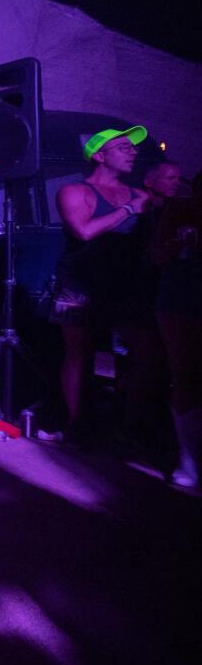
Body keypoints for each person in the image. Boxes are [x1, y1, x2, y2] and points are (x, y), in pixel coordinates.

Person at [50, 127, 155, 442]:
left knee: (147, 351)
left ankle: (128, 424)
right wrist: (127, 211)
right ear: (99, 155)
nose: (132, 152)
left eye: (133, 148)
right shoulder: (74, 191)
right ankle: (76, 425)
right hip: (80, 281)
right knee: (78, 353)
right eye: (123, 147)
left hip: (124, 283)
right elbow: (83, 231)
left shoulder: (141, 196)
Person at [151, 172, 201, 486]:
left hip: (180, 299)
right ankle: (191, 459)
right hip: (182, 300)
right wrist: (178, 241)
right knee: (185, 375)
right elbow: (156, 255)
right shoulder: (181, 209)